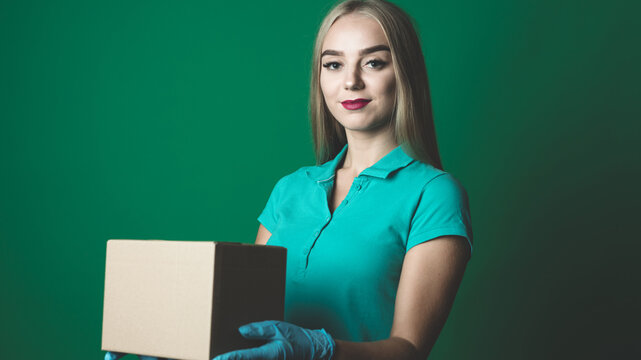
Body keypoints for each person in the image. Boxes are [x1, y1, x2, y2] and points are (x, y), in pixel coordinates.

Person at [105, 1, 472, 359]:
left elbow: (409, 350)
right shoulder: (290, 189)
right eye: (333, 64)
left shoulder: (434, 194)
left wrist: (321, 350)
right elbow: (245, 321)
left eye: (373, 62)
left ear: (405, 71)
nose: (350, 81)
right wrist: (171, 342)